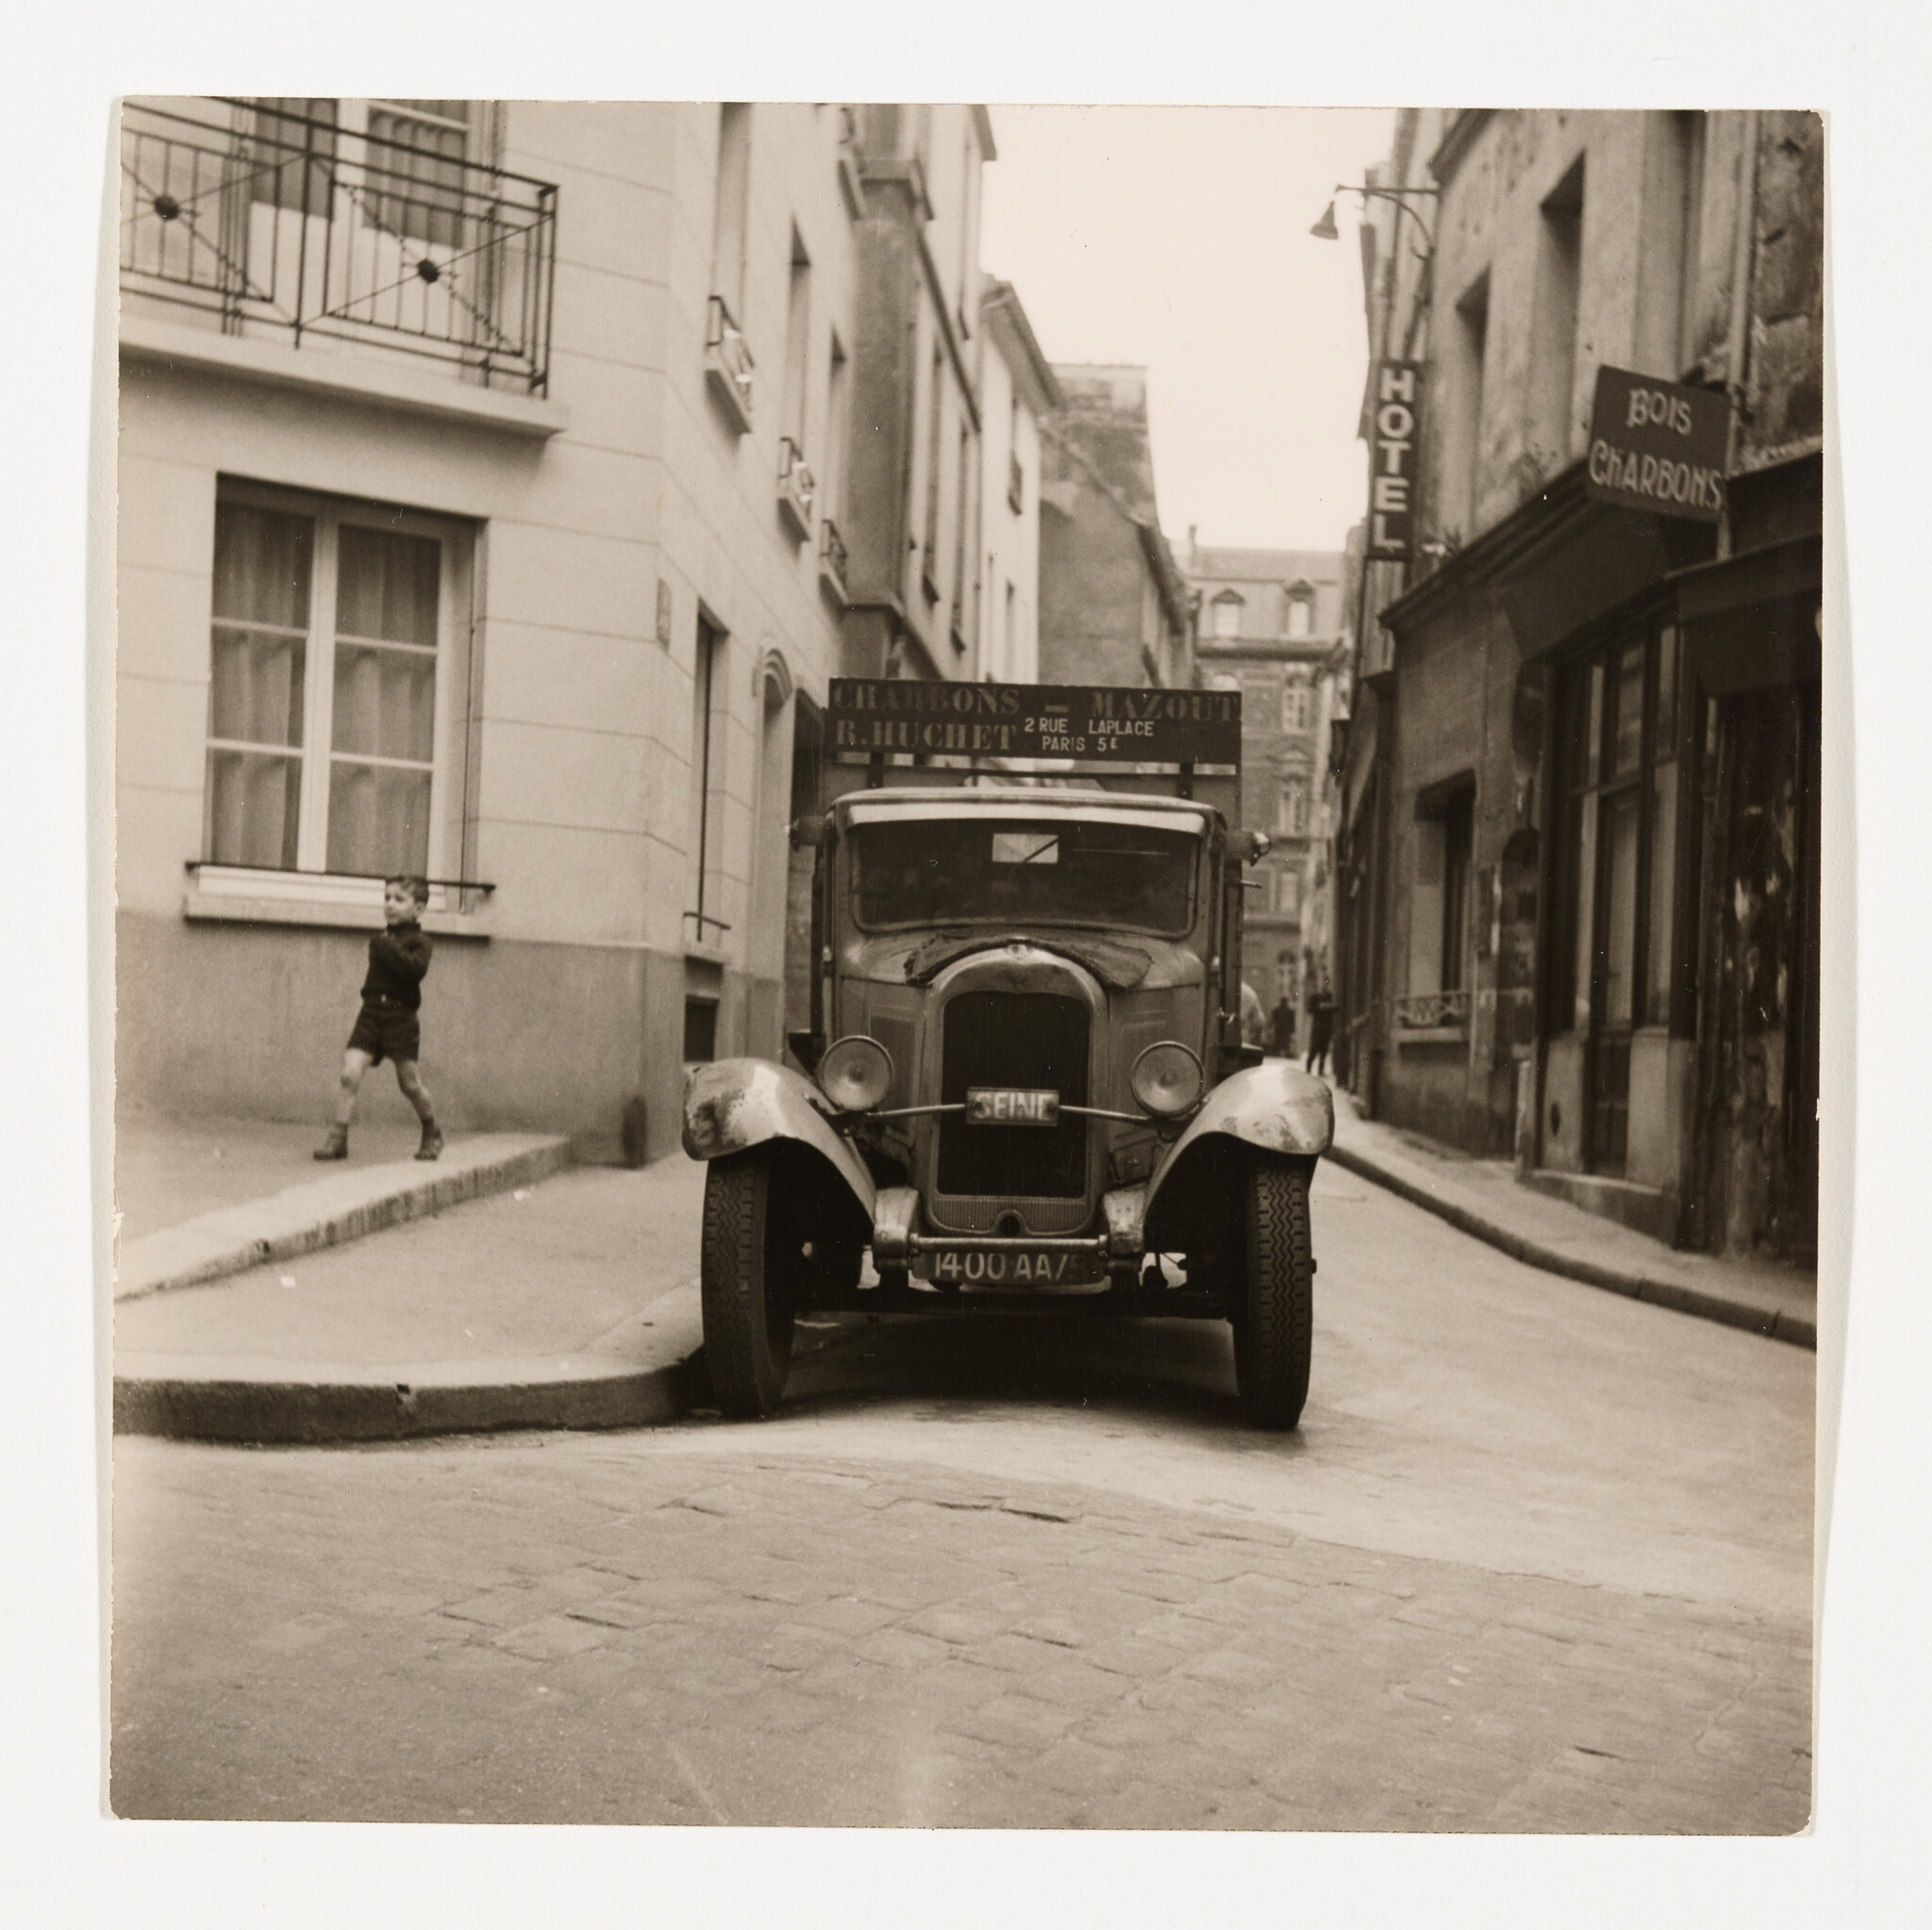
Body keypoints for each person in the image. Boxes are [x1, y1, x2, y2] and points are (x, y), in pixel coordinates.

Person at [314, 874, 442, 1161]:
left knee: (409, 1083)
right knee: (349, 1075)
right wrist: (383, 945)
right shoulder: (381, 940)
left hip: (401, 1018)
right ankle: (338, 1138)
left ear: (419, 909)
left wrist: (386, 947)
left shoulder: (421, 942)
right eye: (386, 898)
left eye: (399, 899)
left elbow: (413, 970)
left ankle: (432, 1130)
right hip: (371, 1014)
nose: (390, 905)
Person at [1305, 978, 1336, 1078]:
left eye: (1327, 984)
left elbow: (1336, 1008)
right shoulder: (1315, 997)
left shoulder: (1329, 996)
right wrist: (1319, 1007)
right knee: (1314, 1048)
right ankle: (1308, 1070)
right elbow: (1309, 1009)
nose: (1325, 987)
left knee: (1324, 1050)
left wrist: (1327, 1007)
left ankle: (1320, 1070)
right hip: (1318, 1026)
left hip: (1327, 1027)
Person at [1240, 979, 1266, 1051]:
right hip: (1249, 1026)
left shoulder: (1243, 991)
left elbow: (1242, 1018)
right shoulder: (1246, 990)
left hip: (1248, 1026)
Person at [1268, 994, 1296, 1058]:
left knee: (1278, 1042)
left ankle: (1277, 1053)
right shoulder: (1290, 1011)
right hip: (1286, 1030)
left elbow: (1272, 1020)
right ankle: (1285, 1053)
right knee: (1285, 1042)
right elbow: (1292, 1022)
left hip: (1279, 1029)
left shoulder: (1277, 1010)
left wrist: (1269, 1027)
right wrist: (1293, 1030)